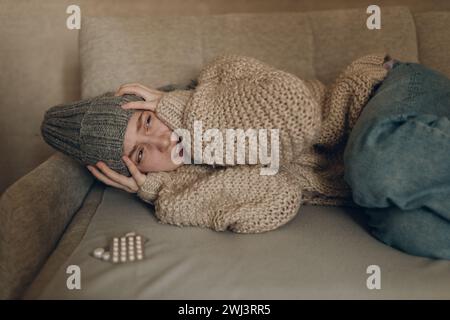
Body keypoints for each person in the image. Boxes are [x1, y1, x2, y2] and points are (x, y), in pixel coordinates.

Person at [42, 53, 449, 259]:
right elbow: (279, 198)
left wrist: (181, 109)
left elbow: (298, 113)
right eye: (140, 154)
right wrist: (162, 192)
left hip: (387, 96)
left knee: (376, 166)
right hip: (385, 176)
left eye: (148, 123)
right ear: (132, 170)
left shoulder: (219, 80)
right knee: (410, 231)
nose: (163, 144)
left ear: (153, 101)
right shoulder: (191, 181)